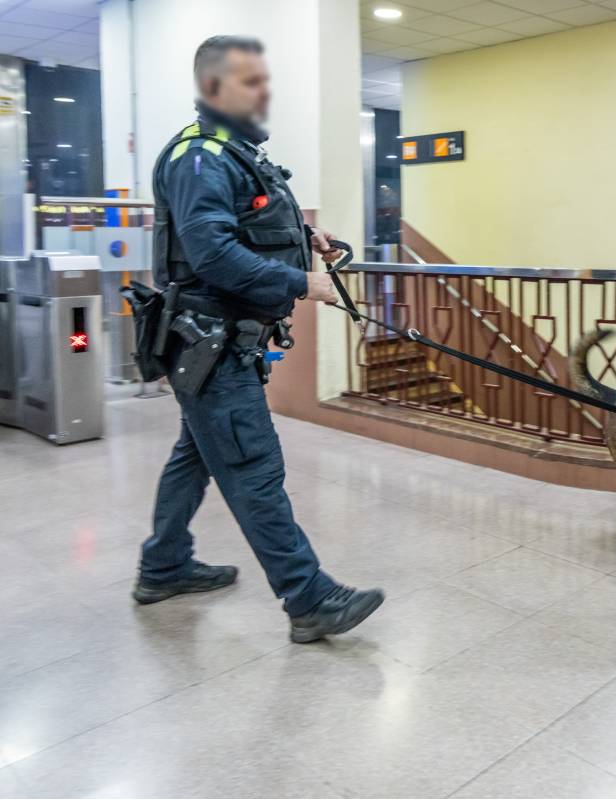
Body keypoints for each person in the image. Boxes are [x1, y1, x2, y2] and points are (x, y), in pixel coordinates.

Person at [132, 35, 384, 643]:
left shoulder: (233, 152)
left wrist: (307, 240)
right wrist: (302, 281)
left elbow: (249, 221)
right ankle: (308, 597)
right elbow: (213, 254)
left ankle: (163, 566)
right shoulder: (199, 157)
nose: (263, 92)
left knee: (196, 455)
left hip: (219, 344)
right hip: (210, 344)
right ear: (214, 87)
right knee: (253, 468)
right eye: (251, 81)